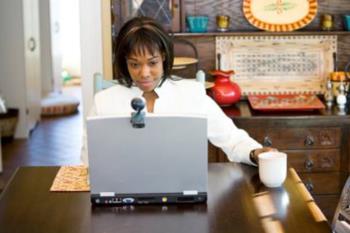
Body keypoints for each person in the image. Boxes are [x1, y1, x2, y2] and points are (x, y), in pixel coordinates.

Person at [81, 16, 275, 166]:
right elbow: (87, 162)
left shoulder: (192, 95)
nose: (144, 73)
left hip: (183, 196)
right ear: (125, 62)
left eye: (152, 62)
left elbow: (232, 140)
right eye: (134, 64)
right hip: (121, 197)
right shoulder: (104, 102)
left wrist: (255, 153)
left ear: (164, 57)